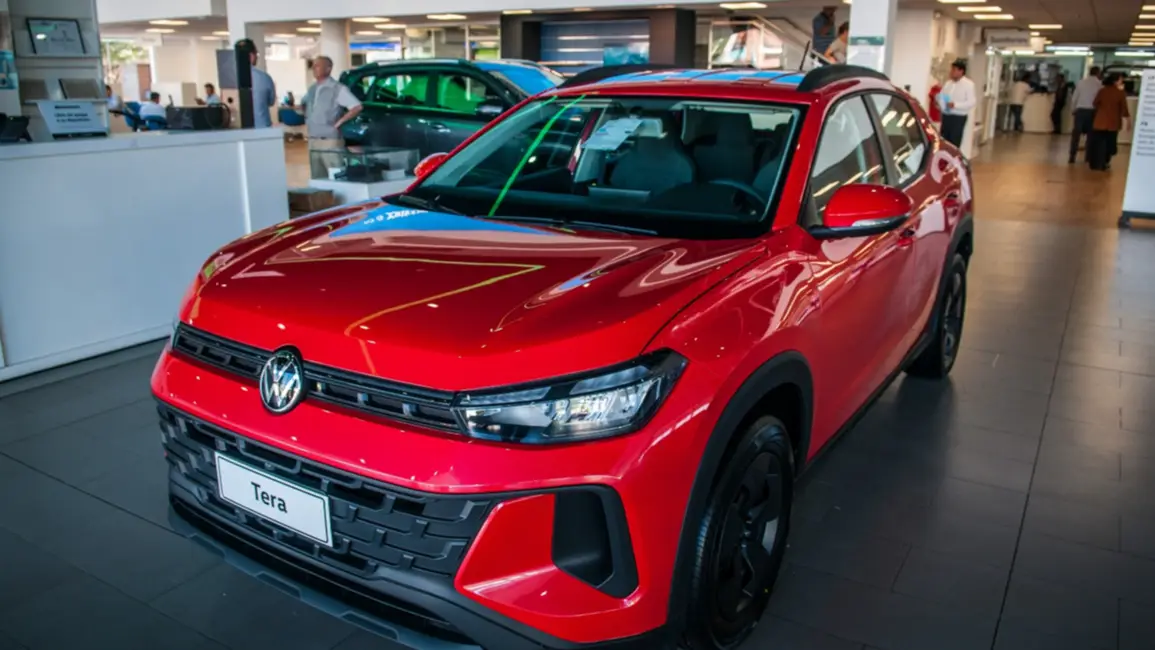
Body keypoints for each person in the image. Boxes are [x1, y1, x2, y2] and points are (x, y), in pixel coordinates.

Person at [301, 55, 364, 179]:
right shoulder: (312, 89)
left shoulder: (337, 88)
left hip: (329, 141)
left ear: (328, 68)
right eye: (313, 66)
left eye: (318, 65)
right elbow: (305, 105)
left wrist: (339, 122)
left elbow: (357, 107)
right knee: (318, 178)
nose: (314, 68)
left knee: (336, 175)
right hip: (313, 140)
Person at [1087, 73, 1130, 172]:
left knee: (1098, 144)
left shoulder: (1102, 91)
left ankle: (1096, 163)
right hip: (1113, 123)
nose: (1122, 81)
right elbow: (1124, 108)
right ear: (1115, 81)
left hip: (1100, 121)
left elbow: (1095, 103)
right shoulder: (1120, 93)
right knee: (1110, 144)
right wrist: (1128, 120)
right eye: (1120, 80)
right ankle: (1105, 162)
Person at [234, 38, 276, 128]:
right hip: (262, 129)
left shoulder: (230, 78)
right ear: (251, 55)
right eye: (256, 54)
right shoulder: (264, 78)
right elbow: (271, 102)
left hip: (238, 130)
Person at [939, 60, 976, 148]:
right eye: (951, 69)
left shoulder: (968, 84)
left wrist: (955, 105)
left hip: (958, 118)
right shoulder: (948, 83)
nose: (951, 72)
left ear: (961, 71)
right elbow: (941, 96)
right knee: (943, 141)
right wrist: (941, 105)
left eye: (954, 70)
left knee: (954, 142)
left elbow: (971, 102)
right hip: (946, 116)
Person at [1068, 66, 1101, 164]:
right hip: (1092, 112)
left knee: (1076, 135)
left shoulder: (1081, 82)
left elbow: (1075, 97)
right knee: (1091, 135)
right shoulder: (1099, 84)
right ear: (1098, 73)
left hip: (1080, 111)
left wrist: (1073, 109)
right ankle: (1087, 157)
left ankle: (1072, 156)